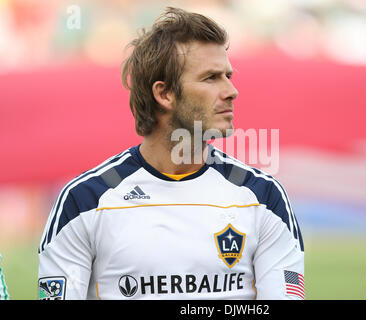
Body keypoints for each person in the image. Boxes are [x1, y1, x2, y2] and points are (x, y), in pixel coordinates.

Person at [38, 7, 304, 300]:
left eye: (228, 76)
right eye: (211, 78)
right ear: (164, 94)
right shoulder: (85, 200)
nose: (231, 91)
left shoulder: (263, 196)